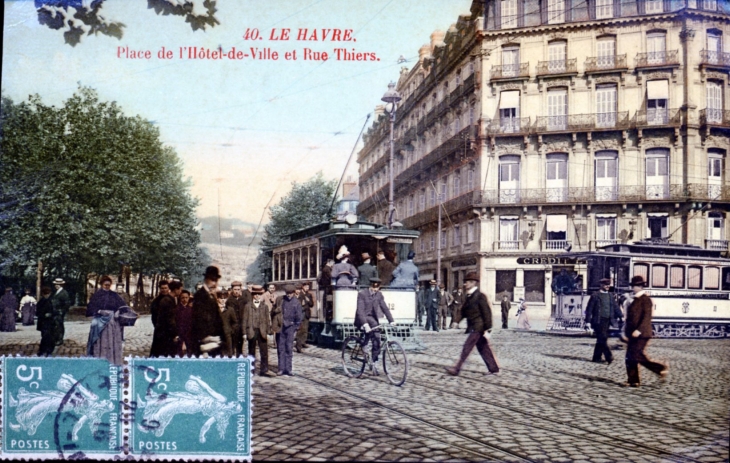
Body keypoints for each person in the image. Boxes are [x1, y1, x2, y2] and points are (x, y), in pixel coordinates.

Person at [445, 272, 500, 376]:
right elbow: (463, 311)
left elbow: (486, 312)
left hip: (478, 327)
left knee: (467, 347)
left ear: (473, 283)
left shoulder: (480, 296)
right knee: (484, 348)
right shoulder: (469, 296)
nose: (465, 284)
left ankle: (456, 369)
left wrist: (488, 328)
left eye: (466, 282)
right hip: (474, 327)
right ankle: (494, 369)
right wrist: (456, 321)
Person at [623, 275, 668, 387]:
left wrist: (639, 330)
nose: (633, 288)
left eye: (634, 286)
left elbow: (647, 317)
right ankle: (633, 381)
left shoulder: (645, 299)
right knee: (630, 356)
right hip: (633, 333)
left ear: (639, 287)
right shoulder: (635, 299)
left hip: (641, 333)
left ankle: (659, 368)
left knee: (636, 355)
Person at [354, 278, 395, 375]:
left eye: (377, 288)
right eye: (373, 287)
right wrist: (364, 324)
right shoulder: (362, 294)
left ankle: (374, 362)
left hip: (373, 320)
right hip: (362, 319)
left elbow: (384, 308)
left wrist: (391, 320)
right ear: (370, 286)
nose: (375, 290)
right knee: (371, 327)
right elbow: (360, 311)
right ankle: (364, 345)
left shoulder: (379, 295)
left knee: (377, 339)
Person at [86, 275, 128, 365]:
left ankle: (112, 360)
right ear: (101, 284)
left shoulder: (114, 295)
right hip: (100, 321)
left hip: (112, 322)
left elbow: (123, 306)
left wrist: (118, 311)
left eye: (109, 285)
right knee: (101, 341)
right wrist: (100, 311)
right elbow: (90, 308)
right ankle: (100, 358)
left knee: (112, 341)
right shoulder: (97, 295)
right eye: (105, 285)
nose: (107, 286)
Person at [585, 278, 623, 364]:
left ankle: (596, 357)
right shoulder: (595, 295)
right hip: (598, 320)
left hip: (607, 320)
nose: (607, 286)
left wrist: (621, 316)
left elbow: (615, 307)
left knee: (600, 339)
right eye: (606, 284)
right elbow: (589, 309)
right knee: (603, 338)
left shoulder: (610, 295)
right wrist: (587, 322)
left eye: (608, 284)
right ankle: (608, 356)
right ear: (601, 285)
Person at [191, 266, 225, 356]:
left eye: (216, 280)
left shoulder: (211, 294)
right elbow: (199, 318)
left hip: (214, 337)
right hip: (206, 338)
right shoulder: (200, 295)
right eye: (212, 280)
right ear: (206, 279)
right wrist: (207, 337)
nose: (215, 283)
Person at [245, 285, 273, 376]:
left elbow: (267, 320)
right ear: (252, 295)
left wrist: (269, 331)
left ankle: (264, 370)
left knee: (264, 351)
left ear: (261, 295)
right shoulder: (248, 306)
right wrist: (244, 333)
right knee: (251, 351)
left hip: (262, 331)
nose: (257, 296)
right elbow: (244, 320)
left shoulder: (264, 306)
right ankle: (251, 370)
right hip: (252, 331)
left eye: (259, 294)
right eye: (255, 294)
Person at [274, 285, 302, 376]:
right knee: (281, 348)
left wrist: (295, 328)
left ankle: (289, 369)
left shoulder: (296, 302)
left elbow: (299, 317)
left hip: (290, 328)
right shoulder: (282, 300)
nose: (289, 295)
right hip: (281, 327)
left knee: (289, 348)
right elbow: (275, 312)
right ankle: (281, 369)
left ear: (294, 293)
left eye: (290, 293)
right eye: (287, 293)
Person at [149, 280, 181, 358]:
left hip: (165, 331)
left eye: (166, 288)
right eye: (162, 288)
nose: (164, 290)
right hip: (163, 331)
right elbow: (155, 317)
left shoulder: (173, 299)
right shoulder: (160, 301)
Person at [226, 281, 248, 356]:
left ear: (241, 290)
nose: (237, 291)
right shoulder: (228, 301)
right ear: (232, 290)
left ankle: (239, 360)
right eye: (235, 289)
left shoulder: (244, 300)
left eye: (238, 289)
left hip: (241, 326)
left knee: (240, 346)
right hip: (232, 326)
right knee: (231, 346)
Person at [218, 288, 239, 357]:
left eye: (225, 298)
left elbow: (235, 322)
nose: (223, 300)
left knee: (229, 352)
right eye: (221, 298)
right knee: (218, 353)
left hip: (228, 334)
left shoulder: (230, 309)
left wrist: (231, 330)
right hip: (217, 335)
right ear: (218, 299)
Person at [51, 278, 71, 345]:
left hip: (59, 312)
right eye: (56, 284)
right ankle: (56, 339)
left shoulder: (64, 293)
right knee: (55, 326)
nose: (56, 285)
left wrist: (62, 311)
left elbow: (67, 304)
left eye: (57, 284)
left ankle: (59, 339)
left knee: (59, 326)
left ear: (60, 285)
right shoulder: (57, 292)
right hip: (55, 312)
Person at [36, 287, 56, 356]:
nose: (47, 295)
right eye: (46, 294)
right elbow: (39, 312)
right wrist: (46, 315)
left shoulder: (44, 301)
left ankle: (45, 350)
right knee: (46, 337)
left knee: (47, 336)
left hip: (45, 323)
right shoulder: (44, 301)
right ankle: (44, 350)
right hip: (45, 322)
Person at [295, 281, 314, 353]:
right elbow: (299, 305)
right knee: (300, 330)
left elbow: (311, 304)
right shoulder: (300, 295)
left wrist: (308, 301)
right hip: (301, 314)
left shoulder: (309, 295)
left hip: (306, 314)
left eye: (308, 287)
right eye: (306, 287)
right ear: (303, 287)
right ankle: (298, 345)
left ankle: (303, 342)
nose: (307, 288)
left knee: (305, 329)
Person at [176, 289, 193, 357]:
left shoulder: (191, 309)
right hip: (179, 332)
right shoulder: (176, 309)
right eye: (183, 297)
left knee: (190, 350)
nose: (184, 299)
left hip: (189, 333)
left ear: (189, 298)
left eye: (186, 297)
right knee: (178, 350)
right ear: (180, 298)